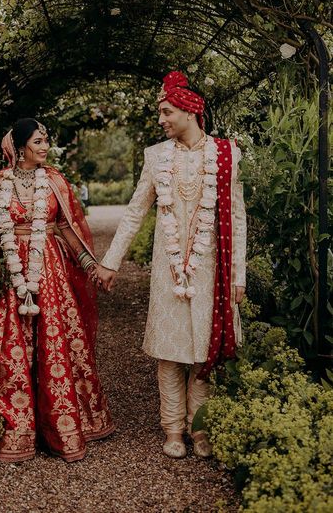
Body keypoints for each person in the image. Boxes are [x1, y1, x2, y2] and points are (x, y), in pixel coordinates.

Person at [96, 71, 247, 459]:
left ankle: (200, 428)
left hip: (211, 267)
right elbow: (134, 212)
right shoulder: (155, 156)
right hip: (168, 268)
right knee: (169, 351)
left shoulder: (227, 153)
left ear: (190, 111)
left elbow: (238, 216)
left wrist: (238, 275)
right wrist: (111, 261)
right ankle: (173, 429)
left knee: (202, 352)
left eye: (166, 112)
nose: (161, 120)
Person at [0, 119, 114, 462]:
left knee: (55, 345)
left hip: (49, 271)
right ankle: (17, 428)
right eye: (39, 141)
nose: (45, 146)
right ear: (20, 147)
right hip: (9, 275)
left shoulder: (54, 182)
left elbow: (67, 228)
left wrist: (91, 265)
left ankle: (60, 429)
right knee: (10, 347)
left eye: (46, 140)